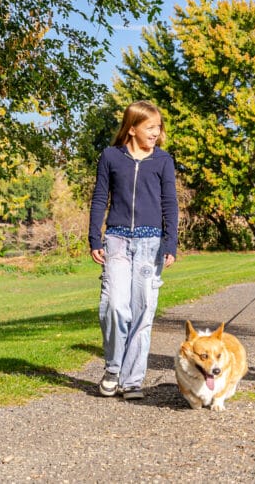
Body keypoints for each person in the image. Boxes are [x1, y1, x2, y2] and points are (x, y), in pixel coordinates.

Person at [88, 100, 178, 400]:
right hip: (116, 241)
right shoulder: (111, 157)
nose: (156, 132)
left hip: (151, 244)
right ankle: (113, 369)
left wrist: (170, 242)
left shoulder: (163, 161)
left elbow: (170, 204)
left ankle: (132, 381)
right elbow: (100, 198)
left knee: (143, 311)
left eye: (158, 127)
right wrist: (94, 238)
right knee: (114, 307)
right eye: (150, 127)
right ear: (132, 128)